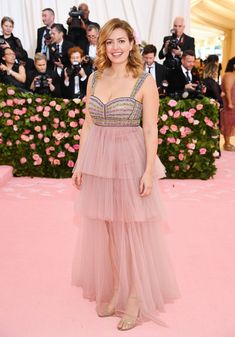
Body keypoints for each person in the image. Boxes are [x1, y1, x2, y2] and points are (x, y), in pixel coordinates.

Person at [71, 18, 180, 331]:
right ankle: (117, 287)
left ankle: (134, 296)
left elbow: (149, 128)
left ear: (132, 43)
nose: (115, 47)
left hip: (130, 162)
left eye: (121, 41)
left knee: (129, 232)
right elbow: (88, 125)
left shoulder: (143, 80)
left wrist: (148, 171)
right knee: (106, 231)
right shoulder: (94, 78)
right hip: (98, 163)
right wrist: (80, 164)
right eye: (109, 42)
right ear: (102, 45)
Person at [220, 57, 235, 151]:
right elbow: (228, 89)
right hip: (231, 104)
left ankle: (228, 143)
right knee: (228, 123)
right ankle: (227, 143)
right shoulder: (229, 75)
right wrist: (229, 102)